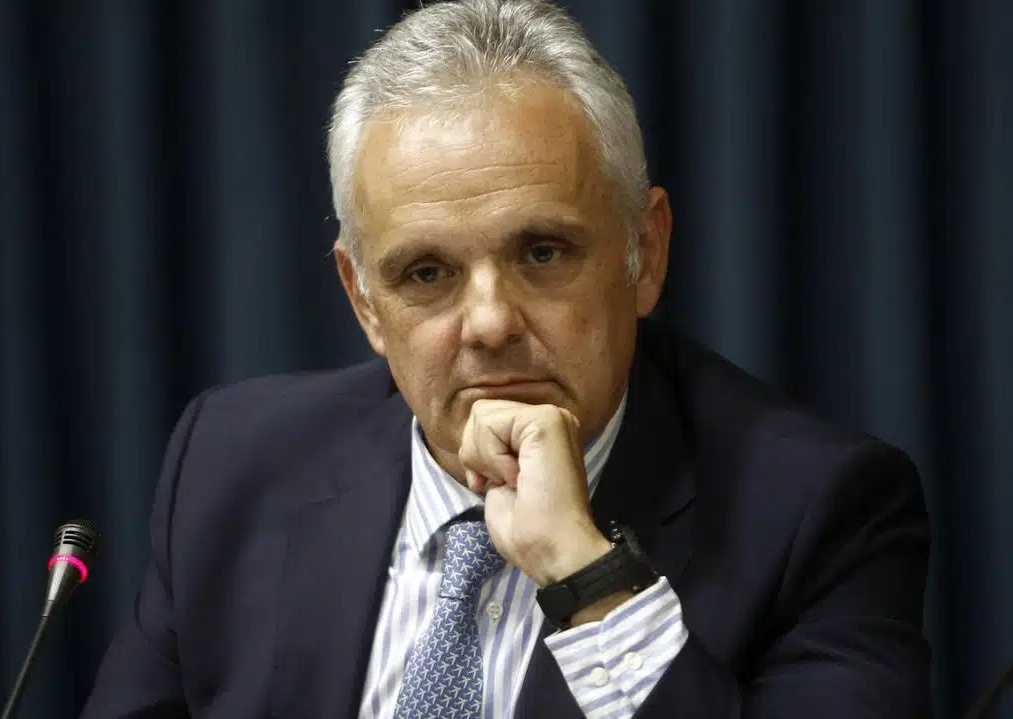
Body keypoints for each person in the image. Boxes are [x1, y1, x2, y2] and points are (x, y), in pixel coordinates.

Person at [81, 0, 932, 716]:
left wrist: (587, 574)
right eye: (427, 273)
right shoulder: (231, 467)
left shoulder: (817, 513)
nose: (489, 323)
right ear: (363, 300)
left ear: (646, 253)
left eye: (542, 253)